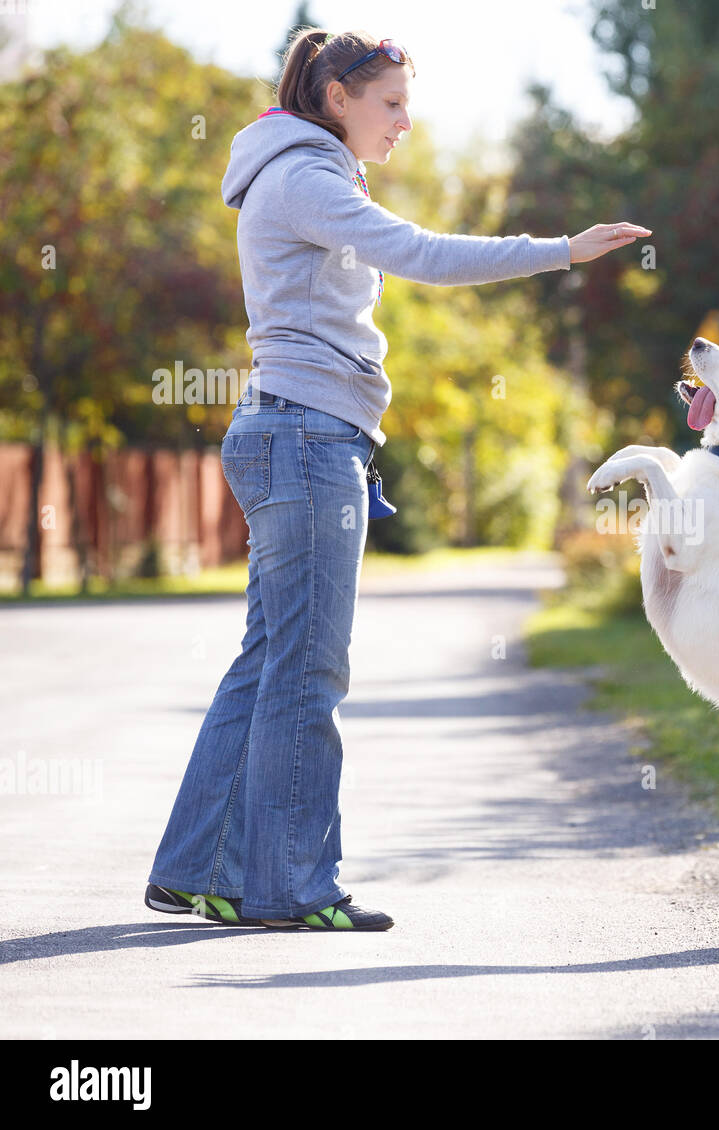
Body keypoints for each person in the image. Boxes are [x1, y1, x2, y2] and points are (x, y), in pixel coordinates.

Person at [145, 28, 651, 931]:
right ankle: (291, 887)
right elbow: (422, 254)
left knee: (270, 659)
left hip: (289, 431)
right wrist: (560, 251)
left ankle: (199, 866)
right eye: (390, 104)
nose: (405, 123)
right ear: (336, 96)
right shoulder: (305, 178)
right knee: (308, 666)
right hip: (305, 437)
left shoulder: (299, 173)